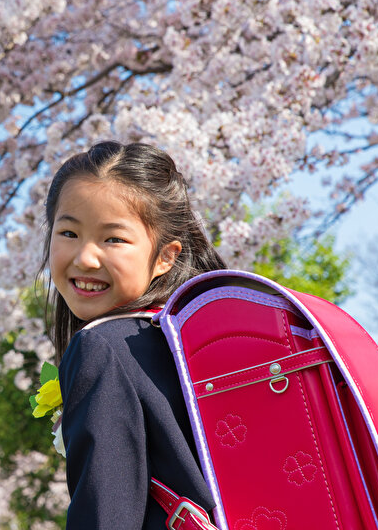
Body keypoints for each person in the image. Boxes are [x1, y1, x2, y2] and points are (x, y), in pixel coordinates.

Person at [42, 141, 227, 529]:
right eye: (69, 233)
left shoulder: (103, 348)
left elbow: (104, 517)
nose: (85, 258)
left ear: (165, 256)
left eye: (113, 239)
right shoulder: (193, 342)